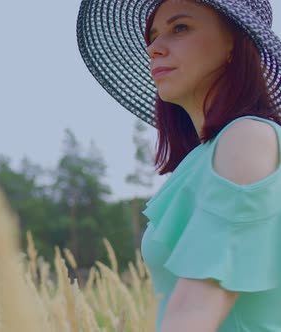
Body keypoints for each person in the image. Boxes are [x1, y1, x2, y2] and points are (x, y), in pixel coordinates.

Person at [77, 0, 281, 331]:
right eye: (153, 37)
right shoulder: (203, 158)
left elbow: (196, 308)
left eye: (180, 28)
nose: (155, 48)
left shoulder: (248, 138)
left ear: (234, 42)